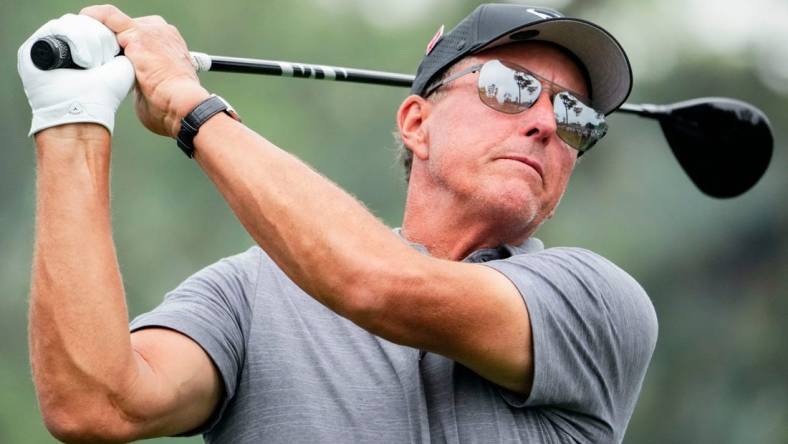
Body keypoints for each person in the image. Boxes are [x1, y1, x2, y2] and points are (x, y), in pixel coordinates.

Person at [19, 3, 657, 443]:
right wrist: (70, 119)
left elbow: (377, 283)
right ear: (416, 123)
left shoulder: (597, 302)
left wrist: (190, 105)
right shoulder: (249, 294)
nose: (546, 123)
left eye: (576, 116)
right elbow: (95, 403)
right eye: (512, 87)